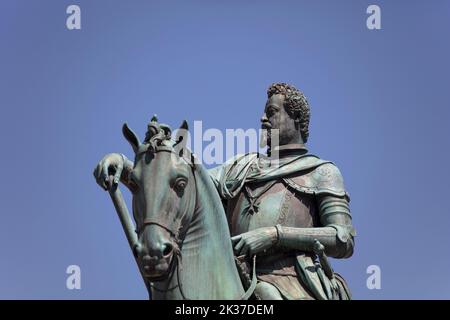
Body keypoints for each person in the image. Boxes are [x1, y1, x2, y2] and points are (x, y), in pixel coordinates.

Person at [94, 83, 355, 300]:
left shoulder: (322, 172)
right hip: (233, 274)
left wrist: (274, 235)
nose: (263, 118)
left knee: (268, 297)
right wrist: (127, 167)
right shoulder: (239, 167)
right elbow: (182, 182)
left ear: (296, 118)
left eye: (272, 112)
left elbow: (343, 239)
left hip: (291, 282)